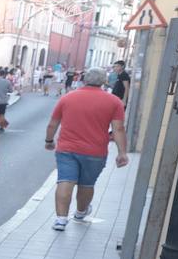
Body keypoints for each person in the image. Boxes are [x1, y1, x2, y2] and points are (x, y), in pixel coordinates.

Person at [45, 66, 127, 231]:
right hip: (95, 151)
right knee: (87, 184)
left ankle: (61, 220)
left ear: (84, 79)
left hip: (67, 149)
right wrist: (122, 153)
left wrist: (49, 140)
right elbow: (118, 129)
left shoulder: (67, 98)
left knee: (65, 181)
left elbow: (53, 123)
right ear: (104, 81)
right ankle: (81, 213)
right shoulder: (114, 102)